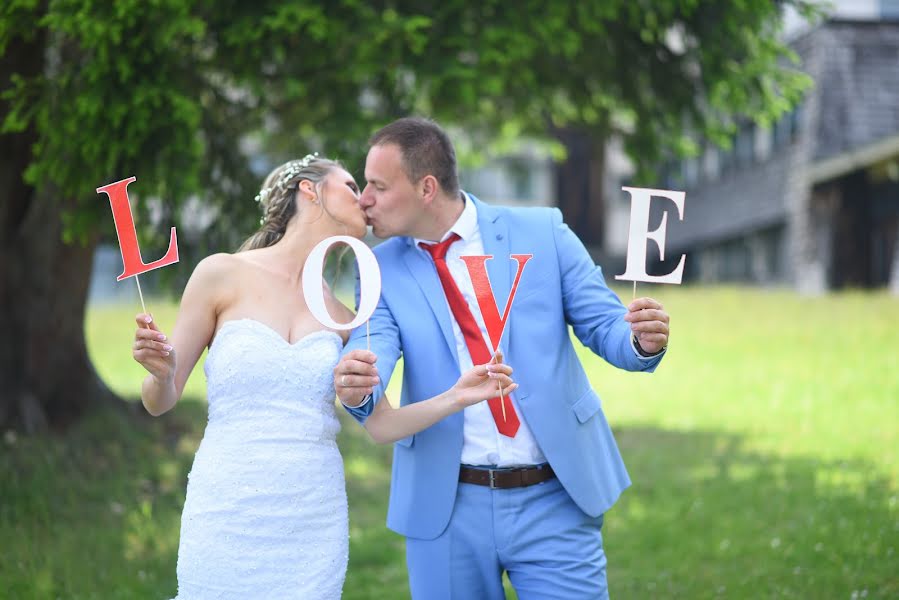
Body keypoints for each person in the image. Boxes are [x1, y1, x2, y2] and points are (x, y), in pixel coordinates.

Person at [131, 154, 518, 599]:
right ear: (309, 190)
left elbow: (381, 424)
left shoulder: (349, 318)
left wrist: (457, 396)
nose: (365, 200)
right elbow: (160, 400)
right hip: (226, 503)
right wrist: (160, 375)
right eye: (352, 186)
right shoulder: (221, 274)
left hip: (312, 513)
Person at [334, 118, 671, 599]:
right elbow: (375, 348)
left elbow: (605, 325)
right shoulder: (379, 268)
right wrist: (361, 385)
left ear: (426, 187)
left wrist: (642, 340)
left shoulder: (543, 231)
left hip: (556, 495)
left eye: (377, 186)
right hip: (445, 506)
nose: (363, 199)